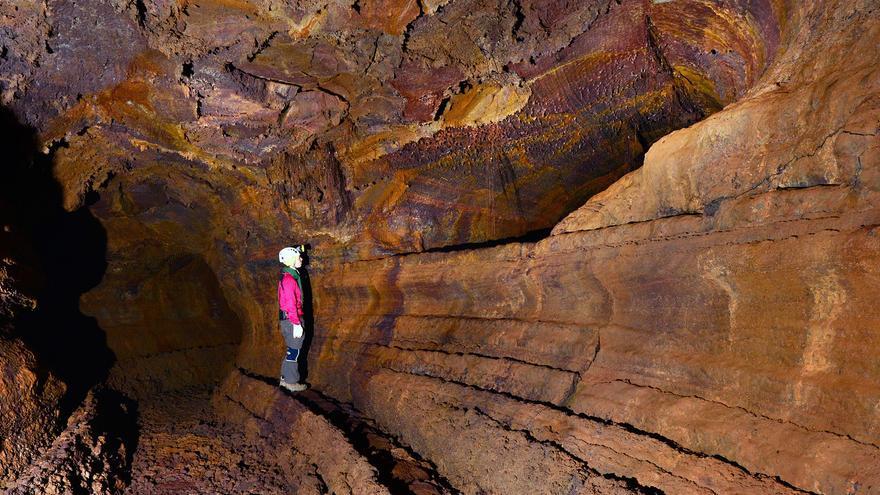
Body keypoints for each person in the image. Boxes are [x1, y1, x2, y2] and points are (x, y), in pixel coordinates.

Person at [278, 245, 308, 392]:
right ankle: (291, 382)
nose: (301, 259)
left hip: (289, 320)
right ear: (291, 260)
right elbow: (290, 303)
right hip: (291, 320)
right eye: (298, 257)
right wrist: (296, 323)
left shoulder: (289, 276)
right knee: (294, 351)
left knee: (291, 350)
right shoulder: (289, 279)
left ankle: (285, 379)